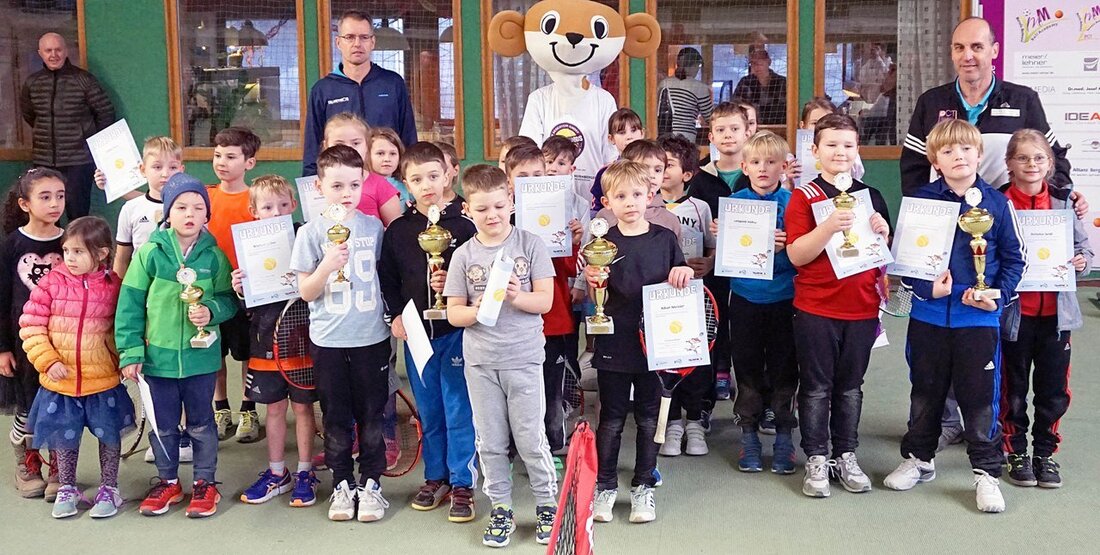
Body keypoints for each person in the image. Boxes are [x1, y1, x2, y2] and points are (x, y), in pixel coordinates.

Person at [884, 119, 1026, 514]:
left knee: (979, 397)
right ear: (935, 161)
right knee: (925, 392)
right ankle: (919, 459)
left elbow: (1016, 260)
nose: (958, 156)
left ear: (979, 155)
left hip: (977, 321)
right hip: (928, 316)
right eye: (947, 151)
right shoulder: (921, 200)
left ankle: (986, 472)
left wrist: (995, 297)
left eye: (965, 149)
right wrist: (927, 289)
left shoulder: (997, 203)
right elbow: (904, 259)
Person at [443, 164, 558, 547]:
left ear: (511, 201)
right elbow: (454, 314)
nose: (491, 215)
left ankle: (547, 504)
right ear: (467, 210)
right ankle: (501, 508)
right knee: (490, 440)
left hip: (523, 358)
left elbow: (545, 302)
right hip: (481, 363)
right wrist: (476, 310)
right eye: (481, 209)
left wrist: (516, 296)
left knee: (529, 438)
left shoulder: (530, 244)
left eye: (498, 206)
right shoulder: (463, 255)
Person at [117, 173, 237, 518]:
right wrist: (131, 351)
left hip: (202, 359)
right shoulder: (149, 254)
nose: (190, 214)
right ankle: (168, 481)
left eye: (198, 208)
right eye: (181, 207)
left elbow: (228, 300)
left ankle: (205, 482)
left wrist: (211, 310)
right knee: (164, 425)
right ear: (167, 213)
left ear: (206, 214)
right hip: (158, 359)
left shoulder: (214, 257)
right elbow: (129, 304)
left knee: (202, 423)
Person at [785, 114, 890, 499]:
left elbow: (883, 256)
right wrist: (828, 226)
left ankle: (846, 454)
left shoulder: (871, 196)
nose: (840, 152)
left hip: (861, 308)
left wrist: (883, 233)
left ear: (857, 149)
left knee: (850, 387)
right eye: (831, 145)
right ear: (815, 151)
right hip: (816, 307)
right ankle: (816, 457)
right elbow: (796, 255)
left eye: (847, 145)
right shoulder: (804, 197)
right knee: (816, 388)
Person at [587, 160, 693, 524]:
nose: (630, 202)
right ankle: (604, 486)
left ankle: (643, 485)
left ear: (650, 195)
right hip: (614, 344)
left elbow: (682, 272)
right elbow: (596, 295)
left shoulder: (664, 239)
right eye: (620, 196)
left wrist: (684, 270)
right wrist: (594, 281)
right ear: (607, 202)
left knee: (649, 419)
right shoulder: (602, 244)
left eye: (636, 194)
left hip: (656, 345)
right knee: (612, 419)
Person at [290, 145, 391, 522]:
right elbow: (305, 291)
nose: (346, 193)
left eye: (354, 184)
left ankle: (371, 483)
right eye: (336, 185)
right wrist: (326, 266)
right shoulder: (310, 233)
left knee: (372, 415)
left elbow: (384, 278)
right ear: (319, 187)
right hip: (329, 341)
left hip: (371, 339)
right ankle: (342, 484)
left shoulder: (374, 228)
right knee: (335, 416)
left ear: (364, 183)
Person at [380, 143, 479, 522]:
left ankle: (462, 481)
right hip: (418, 336)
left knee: (459, 408)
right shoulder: (398, 231)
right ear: (405, 184)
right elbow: (389, 280)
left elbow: (479, 274)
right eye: (417, 179)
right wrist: (395, 316)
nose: (427, 185)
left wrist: (454, 283)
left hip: (457, 332)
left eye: (433, 176)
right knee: (430, 410)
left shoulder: (465, 225)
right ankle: (435, 476)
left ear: (449, 175)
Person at [21, 216, 134, 519]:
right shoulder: (50, 283)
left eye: (78, 252)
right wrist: (48, 360)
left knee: (109, 436)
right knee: (64, 438)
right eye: (66, 251)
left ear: (102, 253)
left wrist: (125, 359)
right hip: (61, 383)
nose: (69, 258)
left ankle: (109, 488)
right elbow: (31, 325)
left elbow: (125, 326)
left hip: (103, 381)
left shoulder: (114, 286)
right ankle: (66, 487)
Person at [998, 129, 1092, 490]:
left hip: (1056, 317)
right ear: (1009, 163)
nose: (1031, 164)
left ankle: (1045, 453)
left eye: (1039, 158)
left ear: (1050, 163)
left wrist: (1082, 261)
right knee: (1013, 388)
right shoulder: (998, 202)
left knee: (1053, 390)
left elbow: (1085, 249)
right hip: (1014, 316)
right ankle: (1016, 451)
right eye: (1022, 158)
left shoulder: (1065, 203)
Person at [899, 17, 1074, 196]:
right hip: (945, 210)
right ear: (952, 52)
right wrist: (919, 207)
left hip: (1003, 209)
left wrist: (1064, 196)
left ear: (994, 50)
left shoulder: (1023, 100)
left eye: (977, 47)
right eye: (959, 47)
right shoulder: (930, 102)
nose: (967, 56)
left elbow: (1052, 158)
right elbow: (913, 168)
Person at [235, 176, 320, 508]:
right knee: (274, 408)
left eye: (283, 205)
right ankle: (276, 472)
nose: (276, 212)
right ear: (254, 211)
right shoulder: (248, 246)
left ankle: (305, 472)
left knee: (303, 407)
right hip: (264, 341)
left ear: (293, 205)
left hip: (301, 339)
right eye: (268, 207)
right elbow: (247, 304)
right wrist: (240, 288)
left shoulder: (306, 236)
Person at [722, 132, 799, 474]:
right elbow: (727, 254)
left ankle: (784, 434)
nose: (763, 168)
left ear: (784, 167)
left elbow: (806, 254)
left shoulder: (795, 204)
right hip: (745, 297)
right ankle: (749, 434)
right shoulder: (735, 203)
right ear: (744, 167)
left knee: (785, 368)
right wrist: (723, 234)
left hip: (784, 298)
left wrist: (787, 247)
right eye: (755, 162)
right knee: (747, 367)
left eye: (771, 162)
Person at [504, 144, 583, 470]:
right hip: (512, 321)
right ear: (509, 182)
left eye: (538, 174)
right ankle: (510, 449)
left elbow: (570, 269)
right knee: (514, 389)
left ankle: (551, 445)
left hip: (553, 319)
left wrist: (574, 242)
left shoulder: (558, 216)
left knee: (551, 387)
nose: (532, 181)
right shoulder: (501, 220)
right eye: (523, 176)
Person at [0, 168, 66, 500]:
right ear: (25, 204)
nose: (55, 204)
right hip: (23, 343)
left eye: (60, 196)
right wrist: (2, 348)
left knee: (59, 405)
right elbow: (1, 298)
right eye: (45, 197)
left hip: (64, 340)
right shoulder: (11, 245)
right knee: (28, 407)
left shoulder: (70, 239)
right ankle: (27, 464)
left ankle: (59, 466)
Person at [654, 134, 715, 457]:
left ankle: (694, 422)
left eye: (669, 166)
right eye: (658, 166)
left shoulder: (699, 207)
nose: (663, 171)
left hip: (693, 296)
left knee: (695, 358)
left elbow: (712, 247)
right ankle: (673, 423)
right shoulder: (647, 206)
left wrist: (709, 262)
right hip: (659, 299)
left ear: (687, 174)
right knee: (666, 361)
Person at [303, 10, 417, 176]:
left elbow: (409, 137)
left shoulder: (392, 83)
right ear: (338, 42)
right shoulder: (323, 90)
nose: (357, 43)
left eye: (364, 37)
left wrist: (410, 179)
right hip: (342, 181)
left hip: (387, 181)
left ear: (372, 42)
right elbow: (312, 146)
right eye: (349, 37)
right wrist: (312, 184)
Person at [19, 32, 116, 221]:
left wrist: (90, 144)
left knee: (77, 215)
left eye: (58, 50)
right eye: (48, 50)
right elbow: (29, 115)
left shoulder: (84, 80)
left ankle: (77, 242)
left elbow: (106, 113)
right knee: (44, 214)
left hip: (79, 162)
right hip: (44, 160)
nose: (53, 55)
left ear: (66, 51)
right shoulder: (32, 83)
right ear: (40, 53)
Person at [204, 127, 261, 443]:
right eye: (217, 155)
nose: (221, 162)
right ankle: (220, 408)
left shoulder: (256, 200)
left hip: (245, 293)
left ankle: (248, 410)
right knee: (215, 354)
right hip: (210, 292)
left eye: (230, 156)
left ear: (249, 163)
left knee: (246, 353)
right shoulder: (205, 196)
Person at [95, 137, 185, 277]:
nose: (165, 174)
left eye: (173, 167)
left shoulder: (189, 207)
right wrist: (119, 288)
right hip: (140, 282)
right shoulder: (130, 209)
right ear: (143, 169)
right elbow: (122, 258)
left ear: (181, 170)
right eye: (157, 167)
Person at [321, 112, 402, 226]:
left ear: (367, 146)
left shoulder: (380, 185)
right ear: (326, 146)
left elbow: (396, 230)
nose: (348, 148)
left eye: (356, 143)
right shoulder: (319, 184)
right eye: (339, 143)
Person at [587, 108, 646, 215]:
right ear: (611, 138)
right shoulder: (606, 172)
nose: (629, 137)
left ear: (642, 133)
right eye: (622, 132)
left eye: (633, 130)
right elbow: (596, 210)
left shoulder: (651, 169)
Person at [657, 47, 714, 143]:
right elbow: (711, 118)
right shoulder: (699, 87)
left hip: (662, 136)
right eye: (698, 66)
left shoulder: (664, 83)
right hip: (686, 138)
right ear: (694, 65)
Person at [729, 49, 787, 126]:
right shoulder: (745, 82)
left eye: (760, 63)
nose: (756, 67)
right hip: (750, 127)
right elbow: (735, 106)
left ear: (769, 62)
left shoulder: (782, 82)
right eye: (753, 63)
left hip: (779, 127)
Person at [368, 128, 408, 208]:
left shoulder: (407, 188)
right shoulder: (361, 187)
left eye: (392, 154)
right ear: (368, 155)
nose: (387, 159)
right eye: (380, 153)